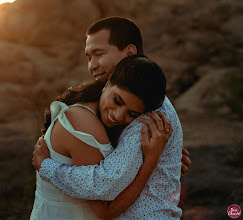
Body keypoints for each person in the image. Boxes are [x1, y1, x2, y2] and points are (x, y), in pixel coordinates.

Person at [33, 17, 191, 219]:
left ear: (129, 53)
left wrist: (47, 166)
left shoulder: (149, 115)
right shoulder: (116, 104)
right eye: (89, 57)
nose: (92, 66)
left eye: (99, 54)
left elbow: (104, 185)